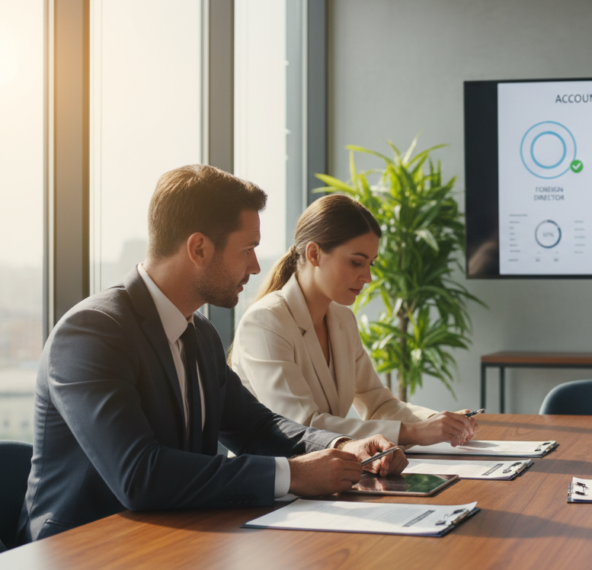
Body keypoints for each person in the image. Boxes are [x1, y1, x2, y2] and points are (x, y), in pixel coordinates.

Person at [18, 165, 407, 544]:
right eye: (248, 249)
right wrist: (292, 474)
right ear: (199, 248)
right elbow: (140, 475)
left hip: (175, 537)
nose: (257, 266)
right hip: (83, 548)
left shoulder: (199, 332)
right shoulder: (91, 332)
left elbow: (256, 427)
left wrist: (338, 447)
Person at [230, 194, 478, 447]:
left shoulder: (341, 318)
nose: (368, 277)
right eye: (356, 262)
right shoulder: (265, 322)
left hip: (328, 473)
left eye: (370, 263)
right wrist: (415, 432)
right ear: (314, 254)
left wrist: (438, 421)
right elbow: (301, 426)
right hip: (275, 477)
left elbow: (377, 403)